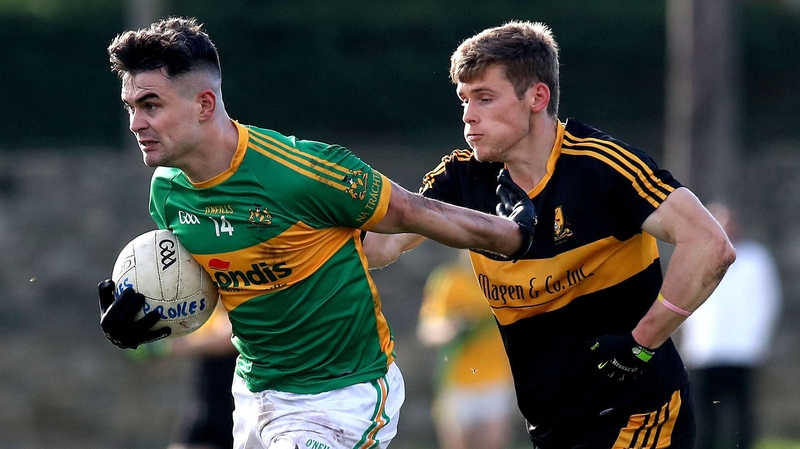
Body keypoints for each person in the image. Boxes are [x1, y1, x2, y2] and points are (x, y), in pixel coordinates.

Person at [95, 17, 537, 449]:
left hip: (340, 396)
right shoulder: (168, 192)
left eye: (151, 105)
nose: (136, 123)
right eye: (131, 108)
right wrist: (148, 322)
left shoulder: (301, 171)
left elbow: (412, 213)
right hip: (253, 395)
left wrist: (514, 236)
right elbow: (210, 287)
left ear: (204, 104)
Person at [364, 20, 736, 448]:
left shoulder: (601, 165)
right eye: (464, 100)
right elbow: (385, 243)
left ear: (537, 97)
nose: (468, 115)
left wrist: (641, 343)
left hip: (638, 413)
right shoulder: (462, 178)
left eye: (485, 98)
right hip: (551, 426)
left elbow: (710, 245)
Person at [678, 202, 782, 449]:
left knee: (741, 410)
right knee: (704, 413)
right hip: (706, 349)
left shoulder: (755, 259)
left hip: (741, 350)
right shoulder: (697, 257)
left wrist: (757, 341)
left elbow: (767, 302)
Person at [417, 250, 518, 449]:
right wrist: (452, 328)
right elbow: (428, 330)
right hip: (457, 381)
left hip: (496, 379)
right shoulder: (449, 280)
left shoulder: (505, 281)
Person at [129, 303, 238, 449]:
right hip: (205, 406)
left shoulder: (241, 310)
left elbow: (230, 338)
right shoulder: (212, 312)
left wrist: (169, 348)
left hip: (235, 408)